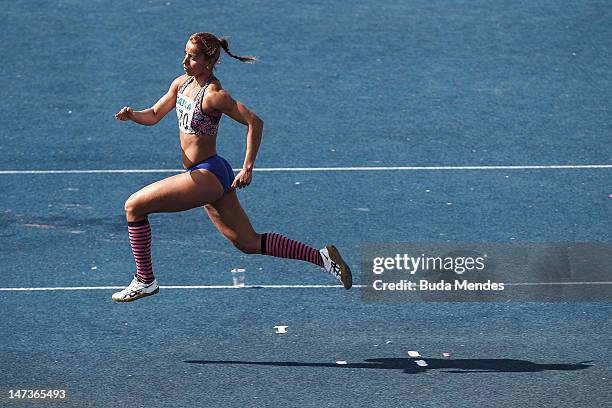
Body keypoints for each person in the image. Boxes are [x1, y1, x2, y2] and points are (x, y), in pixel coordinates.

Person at [112, 32, 352, 302]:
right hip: (209, 173)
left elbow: (255, 122)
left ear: (209, 61)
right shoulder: (181, 84)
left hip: (207, 174)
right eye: (185, 55)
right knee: (248, 242)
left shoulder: (215, 96)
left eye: (192, 57)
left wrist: (247, 167)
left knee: (134, 206)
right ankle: (322, 258)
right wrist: (133, 115)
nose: (185, 62)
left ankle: (145, 280)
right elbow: (154, 115)